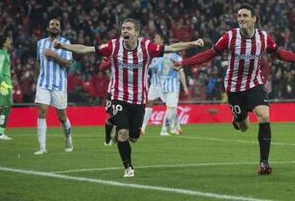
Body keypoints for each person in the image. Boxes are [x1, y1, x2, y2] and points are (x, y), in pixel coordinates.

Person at [173, 3, 295, 175]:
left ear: (254, 19)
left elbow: (279, 53)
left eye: (245, 16)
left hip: (254, 84)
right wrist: (184, 63)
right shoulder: (230, 37)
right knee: (244, 126)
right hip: (234, 88)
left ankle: (264, 163)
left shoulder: (263, 37)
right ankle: (238, 119)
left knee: (264, 116)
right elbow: (209, 54)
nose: (241, 19)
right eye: (239, 16)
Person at [54, 18, 203, 178]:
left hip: (139, 101)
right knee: (123, 134)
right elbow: (85, 49)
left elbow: (172, 47)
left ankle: (118, 127)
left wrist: (193, 43)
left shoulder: (147, 47)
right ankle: (128, 167)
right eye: (123, 28)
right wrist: (63, 46)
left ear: (136, 33)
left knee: (134, 137)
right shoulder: (113, 46)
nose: (125, 31)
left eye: (129, 28)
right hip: (119, 97)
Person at [34, 18, 74, 155]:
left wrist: (55, 56)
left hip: (59, 84)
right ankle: (42, 147)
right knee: (41, 112)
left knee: (61, 116)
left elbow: (68, 63)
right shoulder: (40, 43)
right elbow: (38, 63)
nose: (55, 26)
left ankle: (68, 138)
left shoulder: (66, 43)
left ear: (60, 29)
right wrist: (36, 79)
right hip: (43, 83)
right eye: (52, 24)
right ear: (48, 28)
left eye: (57, 25)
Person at [157, 50, 189, 136]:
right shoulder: (177, 58)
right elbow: (181, 73)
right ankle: (164, 130)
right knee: (170, 108)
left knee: (173, 108)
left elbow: (158, 72)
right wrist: (185, 86)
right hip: (173, 87)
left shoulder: (161, 57)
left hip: (163, 86)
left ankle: (174, 128)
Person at [140, 33, 165, 136]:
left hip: (164, 84)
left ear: (162, 40)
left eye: (157, 37)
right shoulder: (152, 51)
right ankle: (143, 128)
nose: (155, 39)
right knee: (149, 103)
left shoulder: (164, 51)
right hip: (154, 84)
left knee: (169, 106)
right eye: (154, 37)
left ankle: (166, 129)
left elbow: (160, 65)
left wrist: (149, 67)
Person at [0, 34, 13, 140]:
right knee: (5, 107)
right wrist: (3, 83)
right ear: (4, 43)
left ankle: (0, 132)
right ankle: (0, 133)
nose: (10, 41)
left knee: (4, 107)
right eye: (8, 39)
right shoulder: (1, 54)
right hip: (3, 83)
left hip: (2, 83)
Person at [98, 57, 114, 145]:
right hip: (112, 90)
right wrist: (108, 60)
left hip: (127, 90)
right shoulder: (113, 53)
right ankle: (108, 137)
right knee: (111, 116)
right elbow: (101, 67)